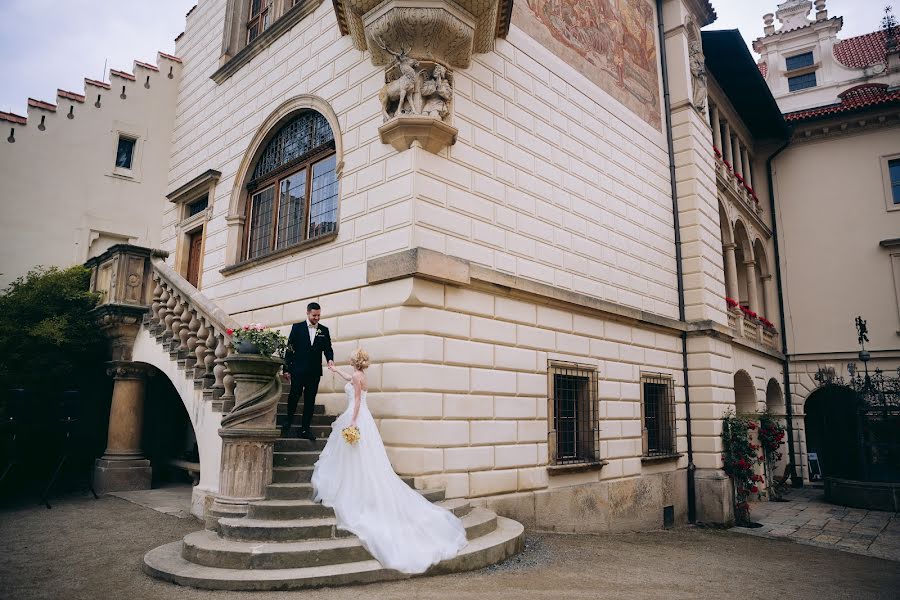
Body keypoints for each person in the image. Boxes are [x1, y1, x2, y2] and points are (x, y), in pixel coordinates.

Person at [312, 348, 467, 574]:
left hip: (357, 417)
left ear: (354, 362)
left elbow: (355, 400)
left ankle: (355, 491)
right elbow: (352, 381)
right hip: (365, 418)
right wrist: (335, 371)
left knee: (355, 458)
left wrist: (352, 422)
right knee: (363, 460)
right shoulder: (361, 376)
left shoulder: (357, 377)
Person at [282, 302, 333, 440]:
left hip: (314, 372)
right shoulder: (297, 328)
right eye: (314, 315)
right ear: (308, 313)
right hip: (298, 370)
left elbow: (328, 348)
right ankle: (288, 422)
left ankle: (305, 429)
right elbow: (289, 349)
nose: (317, 318)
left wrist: (330, 359)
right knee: (294, 396)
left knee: (310, 400)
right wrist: (286, 368)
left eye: (319, 315)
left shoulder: (324, 330)